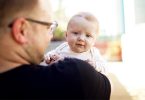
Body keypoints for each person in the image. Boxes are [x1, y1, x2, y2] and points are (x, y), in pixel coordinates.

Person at [0, 0, 111, 99]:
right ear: (22, 30)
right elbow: (107, 86)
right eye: (49, 27)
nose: (51, 36)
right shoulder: (77, 74)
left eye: (88, 35)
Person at [43, 12, 107, 74]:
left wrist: (95, 65)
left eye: (88, 36)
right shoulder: (63, 47)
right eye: (76, 33)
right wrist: (49, 57)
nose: (81, 38)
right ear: (66, 35)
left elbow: (105, 68)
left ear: (94, 41)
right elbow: (52, 54)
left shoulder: (93, 53)